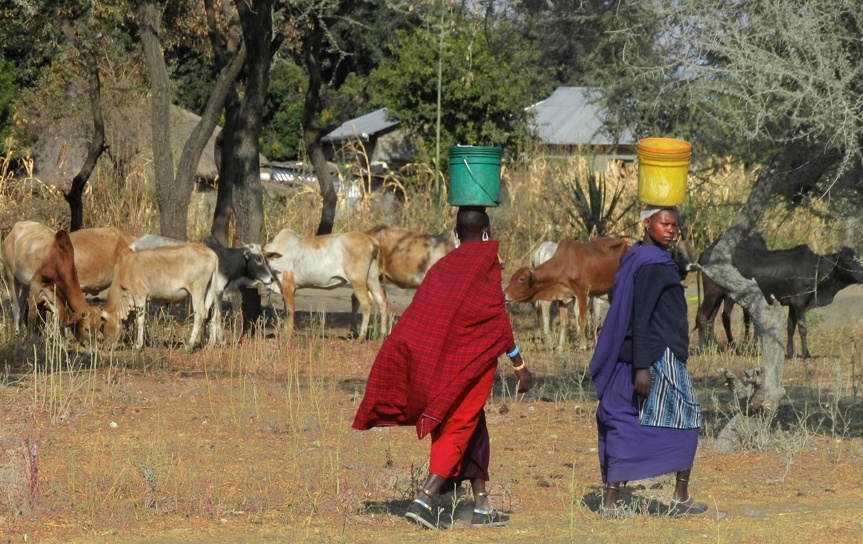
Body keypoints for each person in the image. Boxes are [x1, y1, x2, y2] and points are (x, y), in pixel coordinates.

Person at [352, 206, 533, 530]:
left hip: (442, 362)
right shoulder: (485, 263)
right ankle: (425, 498)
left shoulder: (443, 267)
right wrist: (519, 366)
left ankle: (481, 507)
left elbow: (425, 313)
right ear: (487, 234)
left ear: (455, 235)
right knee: (459, 425)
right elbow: (498, 319)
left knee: (474, 427)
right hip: (471, 365)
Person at [588, 205, 707, 518]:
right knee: (688, 416)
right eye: (664, 223)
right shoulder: (654, 265)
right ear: (646, 223)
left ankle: (617, 502)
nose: (670, 230)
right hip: (656, 353)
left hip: (641, 351)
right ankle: (678, 499)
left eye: (674, 225)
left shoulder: (637, 257)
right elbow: (641, 316)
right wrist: (642, 366)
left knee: (625, 419)